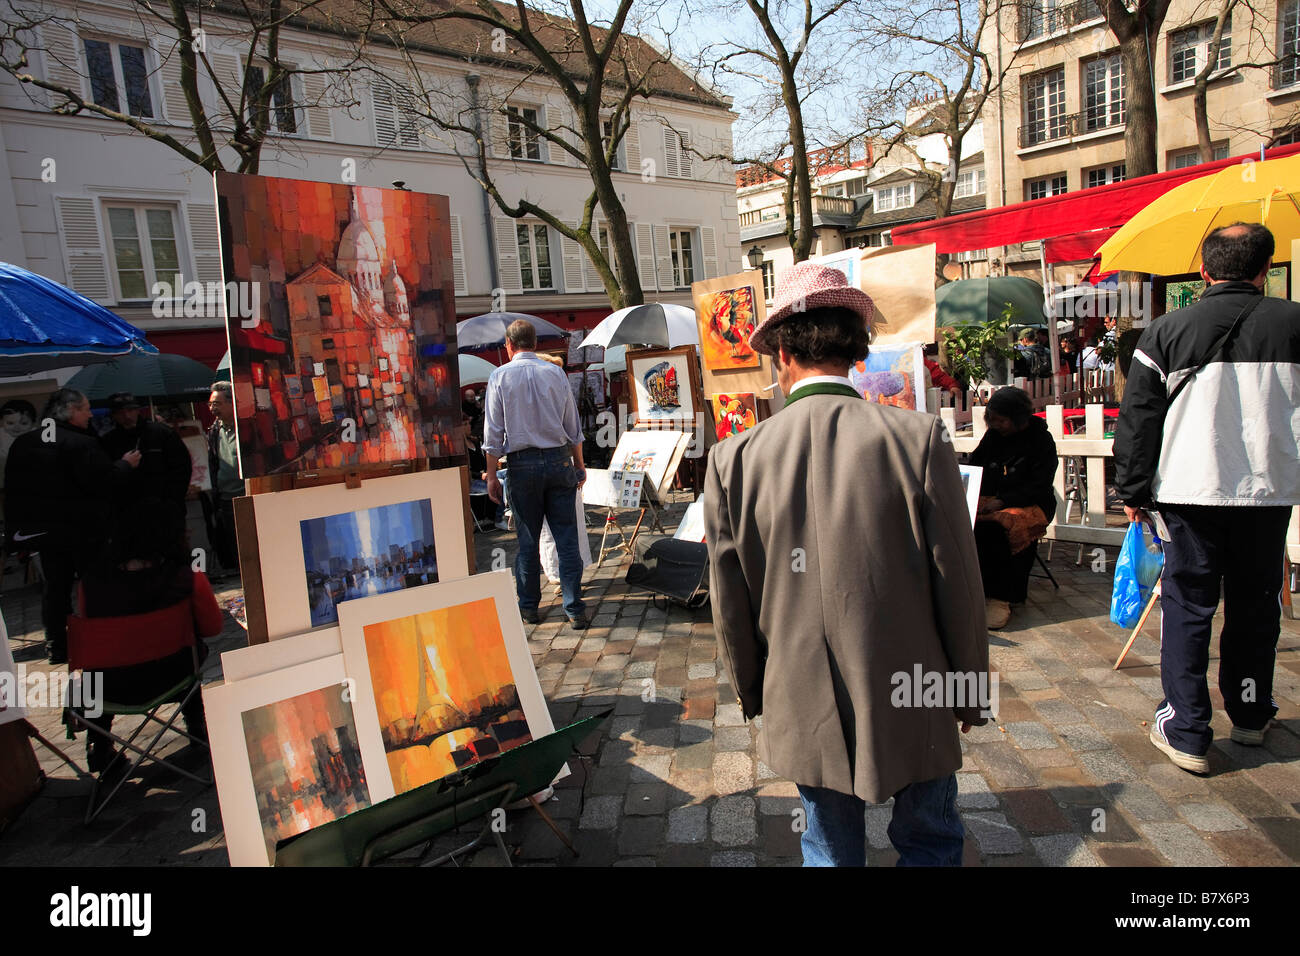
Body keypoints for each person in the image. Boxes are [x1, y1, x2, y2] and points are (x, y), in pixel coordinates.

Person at [704, 262, 989, 867]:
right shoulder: (917, 438)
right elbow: (959, 582)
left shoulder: (735, 459)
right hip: (917, 687)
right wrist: (969, 689)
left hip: (802, 689)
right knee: (931, 838)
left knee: (828, 847)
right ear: (858, 349)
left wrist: (755, 691)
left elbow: (730, 601)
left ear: (781, 353)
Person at [1115, 222, 1300, 774]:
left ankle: (1188, 727)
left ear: (1204, 271)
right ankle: (1248, 710)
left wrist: (1131, 488)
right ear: (1265, 270)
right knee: (1254, 603)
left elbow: (1140, 418)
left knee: (1190, 605)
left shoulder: (1168, 330)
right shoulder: (1294, 325)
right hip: (1268, 493)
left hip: (1188, 493)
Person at [74, 516, 223, 772]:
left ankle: (100, 744)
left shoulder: (90, 585)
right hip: (173, 679)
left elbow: (89, 644)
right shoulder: (187, 579)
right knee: (193, 650)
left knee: (96, 673)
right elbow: (212, 628)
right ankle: (196, 722)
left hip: (111, 690)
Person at [3, 388, 140, 663]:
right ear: (69, 411)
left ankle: (57, 645)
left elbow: (14, 490)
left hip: (46, 533)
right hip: (83, 532)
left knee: (55, 589)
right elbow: (105, 481)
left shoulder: (25, 444)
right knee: (96, 585)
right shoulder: (80, 443)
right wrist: (126, 465)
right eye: (85, 408)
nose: (90, 414)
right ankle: (104, 638)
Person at [483, 320, 589, 628]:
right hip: (558, 461)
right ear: (535, 343)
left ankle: (529, 607)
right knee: (566, 539)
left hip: (522, 464)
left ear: (509, 345)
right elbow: (573, 427)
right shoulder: (555, 373)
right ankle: (574, 608)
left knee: (527, 540)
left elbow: (493, 434)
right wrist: (578, 464)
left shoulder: (499, 376)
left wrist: (491, 476)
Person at [968, 387, 1058, 629]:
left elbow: (1040, 484)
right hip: (992, 499)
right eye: (993, 420)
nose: (997, 425)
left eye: (1002, 420)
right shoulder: (993, 436)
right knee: (965, 521)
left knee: (999, 526)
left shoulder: (1041, 440)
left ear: (1018, 417)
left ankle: (1000, 597)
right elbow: (976, 465)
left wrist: (1004, 500)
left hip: (1031, 502)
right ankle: (973, 590)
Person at [101, 392, 193, 541]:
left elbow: (182, 468)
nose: (127, 416)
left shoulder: (161, 433)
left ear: (138, 410)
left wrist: (171, 502)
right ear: (114, 415)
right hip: (129, 515)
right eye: (121, 412)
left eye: (130, 410)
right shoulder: (109, 442)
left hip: (164, 512)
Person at [204, 381, 242, 575]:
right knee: (234, 545)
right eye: (211, 404)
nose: (212, 408)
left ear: (231, 403)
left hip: (245, 495)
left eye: (217, 403)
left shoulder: (244, 427)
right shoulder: (214, 431)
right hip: (226, 498)